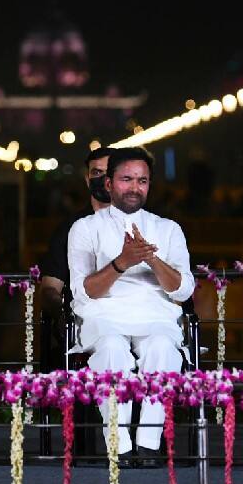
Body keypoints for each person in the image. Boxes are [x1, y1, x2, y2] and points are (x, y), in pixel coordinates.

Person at [67, 147, 193, 464]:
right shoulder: (85, 228)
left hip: (157, 317)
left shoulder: (167, 229)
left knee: (164, 348)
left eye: (142, 181)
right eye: (126, 179)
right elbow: (84, 293)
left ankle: (148, 445)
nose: (135, 187)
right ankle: (119, 446)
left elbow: (183, 289)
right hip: (104, 317)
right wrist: (122, 263)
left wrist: (150, 258)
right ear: (108, 184)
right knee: (111, 349)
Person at [39, 147, 113, 368]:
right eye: (97, 173)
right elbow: (50, 288)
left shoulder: (137, 225)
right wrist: (63, 314)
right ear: (87, 179)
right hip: (83, 325)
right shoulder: (69, 229)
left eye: (109, 173)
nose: (103, 180)